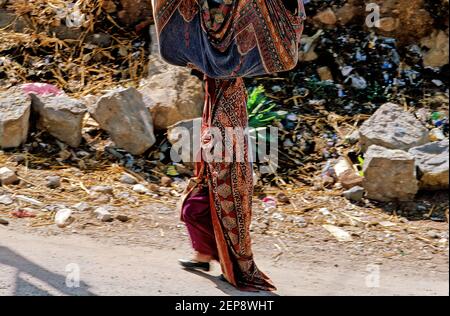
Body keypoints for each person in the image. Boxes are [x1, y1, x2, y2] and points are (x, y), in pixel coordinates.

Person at [152, 0, 305, 292]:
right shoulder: (219, 72)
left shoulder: (224, 79)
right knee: (195, 204)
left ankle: (233, 264)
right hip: (221, 137)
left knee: (207, 203)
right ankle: (207, 254)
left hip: (226, 142)